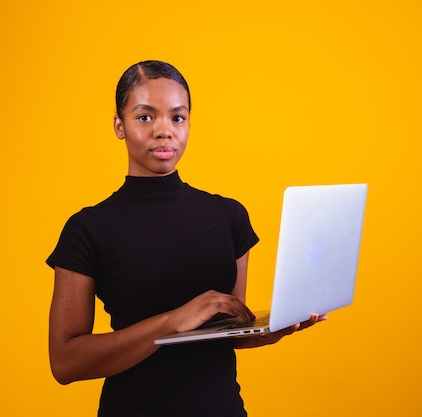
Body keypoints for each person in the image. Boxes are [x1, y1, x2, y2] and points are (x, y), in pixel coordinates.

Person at [46, 60, 327, 417]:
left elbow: (229, 328)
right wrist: (174, 320)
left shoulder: (229, 216)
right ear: (119, 125)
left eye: (177, 118)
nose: (164, 131)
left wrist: (270, 331)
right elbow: (65, 363)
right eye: (146, 117)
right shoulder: (89, 228)